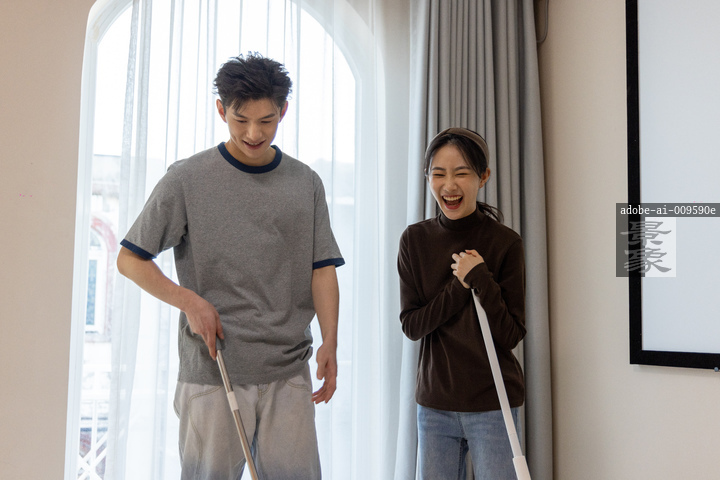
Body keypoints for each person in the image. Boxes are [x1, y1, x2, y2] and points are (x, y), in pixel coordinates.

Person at [116, 53, 344, 480]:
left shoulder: (306, 183)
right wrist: (189, 301)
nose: (254, 133)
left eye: (266, 120)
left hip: (288, 370)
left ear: (283, 111)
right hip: (212, 372)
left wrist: (330, 339)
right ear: (221, 110)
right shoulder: (187, 179)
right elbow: (130, 259)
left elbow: (322, 268)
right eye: (241, 120)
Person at [397, 127, 526, 480]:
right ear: (427, 178)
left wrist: (482, 279)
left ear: (483, 177)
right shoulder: (414, 240)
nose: (449, 185)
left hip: (493, 404)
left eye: (462, 173)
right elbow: (412, 325)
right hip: (435, 406)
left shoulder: (505, 243)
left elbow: (511, 334)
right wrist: (459, 287)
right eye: (438, 174)